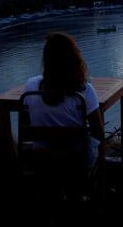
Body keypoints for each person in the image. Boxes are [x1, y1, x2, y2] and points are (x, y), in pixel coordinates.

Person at [23, 32, 104, 171]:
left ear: (46, 58)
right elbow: (98, 131)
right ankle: (89, 188)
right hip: (75, 160)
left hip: (41, 159)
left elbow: (26, 123)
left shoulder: (30, 86)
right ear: (74, 58)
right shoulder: (83, 91)